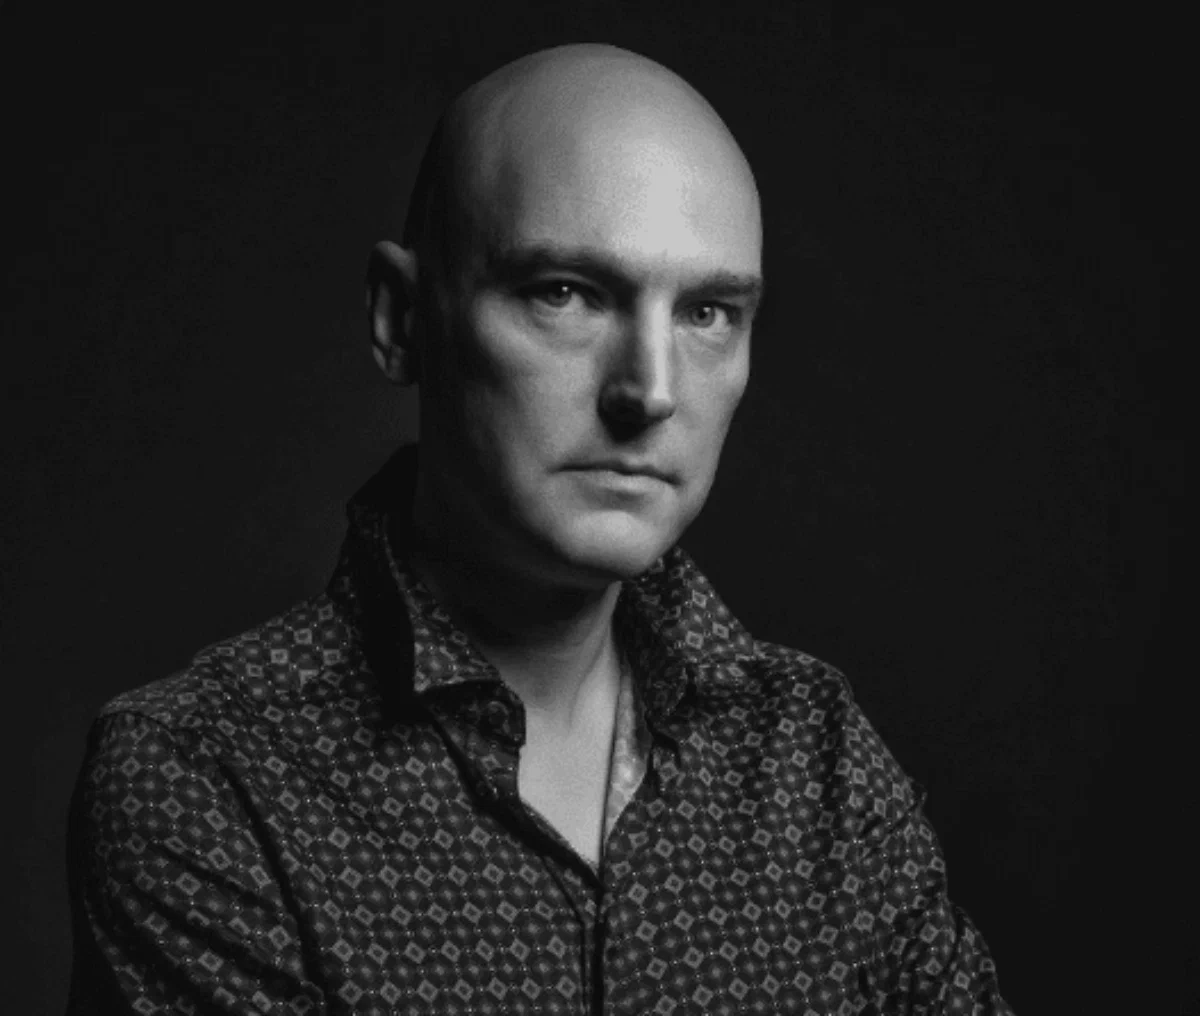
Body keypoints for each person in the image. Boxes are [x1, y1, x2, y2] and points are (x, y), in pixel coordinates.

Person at [65, 43, 1014, 1015]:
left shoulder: (812, 753)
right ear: (402, 318)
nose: (649, 389)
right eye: (566, 292)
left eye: (708, 311)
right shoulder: (205, 779)